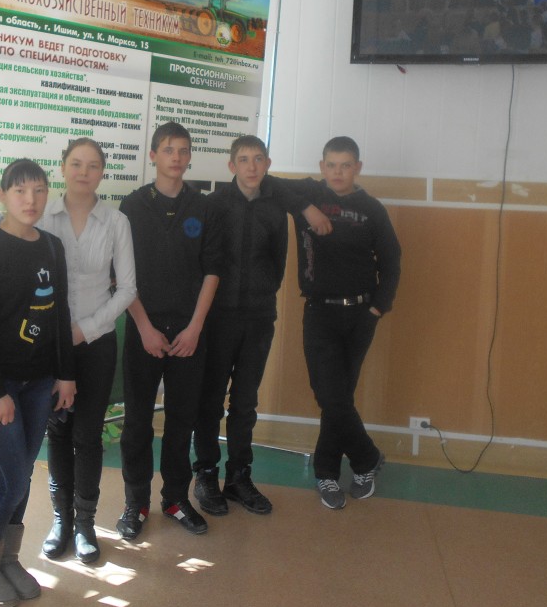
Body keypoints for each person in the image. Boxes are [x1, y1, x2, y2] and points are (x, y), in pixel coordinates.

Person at [0, 159, 77, 607]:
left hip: (39, 383)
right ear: (2, 195)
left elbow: (60, 316)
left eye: (39, 190)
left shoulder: (51, 247)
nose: (31, 200)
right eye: (20, 191)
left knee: (23, 478)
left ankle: (7, 561)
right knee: (10, 480)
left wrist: (65, 373)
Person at [273, 136, 401, 509]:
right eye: (331, 165)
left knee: (339, 397)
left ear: (357, 168)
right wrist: (306, 209)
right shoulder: (310, 193)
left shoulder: (372, 209)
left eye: (346, 165)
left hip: (361, 315)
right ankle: (366, 457)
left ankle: (327, 473)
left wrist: (377, 309)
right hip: (319, 312)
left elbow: (392, 261)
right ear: (322, 167)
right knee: (329, 393)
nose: (338, 172)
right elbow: (268, 182)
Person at [116, 121, 223, 539]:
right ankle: (136, 503)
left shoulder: (203, 206)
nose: (176, 157)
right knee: (137, 422)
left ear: (190, 156)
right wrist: (143, 327)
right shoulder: (132, 205)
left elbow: (213, 270)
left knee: (182, 420)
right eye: (168, 149)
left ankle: (176, 499)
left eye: (183, 150)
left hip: (189, 333)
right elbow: (122, 275)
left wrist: (195, 328)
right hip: (144, 329)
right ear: (153, 155)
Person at [38, 138, 136, 563]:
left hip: (97, 344)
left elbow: (127, 289)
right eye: (76, 163)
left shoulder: (116, 221)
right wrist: (60, 334)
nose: (83, 172)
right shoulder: (42, 216)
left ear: (102, 173)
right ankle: (60, 520)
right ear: (62, 167)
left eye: (93, 165)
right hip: (50, 345)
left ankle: (85, 524)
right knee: (58, 430)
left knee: (87, 434)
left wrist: (86, 330)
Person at [192, 136, 287, 517]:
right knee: (210, 400)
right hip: (218, 319)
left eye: (258, 159)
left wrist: (260, 296)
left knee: (245, 403)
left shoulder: (275, 209)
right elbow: (204, 261)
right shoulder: (214, 205)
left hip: (259, 318)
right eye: (244, 160)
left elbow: (278, 264)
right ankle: (206, 474)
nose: (251, 166)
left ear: (267, 164)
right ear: (231, 166)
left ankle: (238, 477)